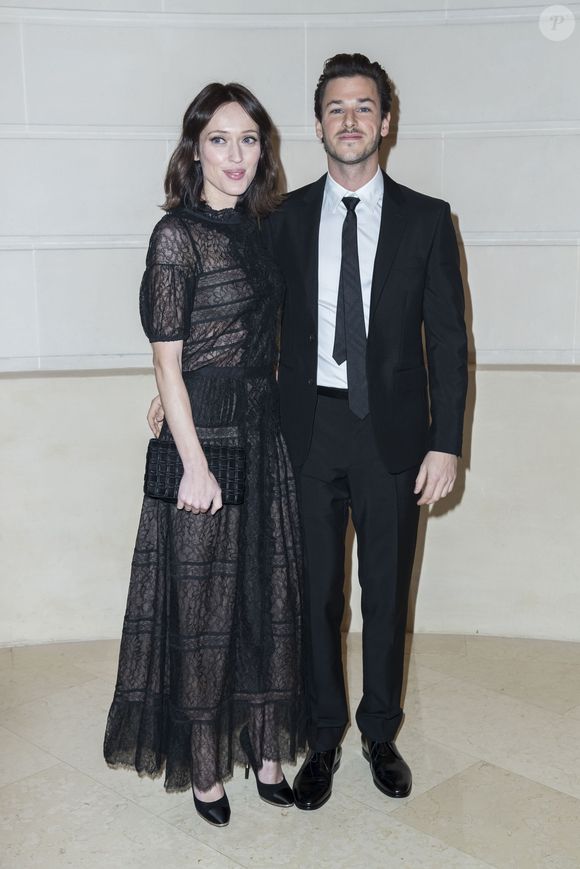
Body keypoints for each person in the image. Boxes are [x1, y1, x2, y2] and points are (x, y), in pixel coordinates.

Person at [148, 52, 468, 811]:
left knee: (387, 595)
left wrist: (446, 440)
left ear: (385, 121)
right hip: (303, 430)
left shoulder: (428, 218)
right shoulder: (281, 219)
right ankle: (322, 734)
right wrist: (168, 388)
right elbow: (224, 312)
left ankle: (379, 732)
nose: (350, 120)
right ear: (317, 123)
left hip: (395, 434)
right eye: (335, 108)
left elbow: (451, 342)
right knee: (313, 596)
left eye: (364, 107)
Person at [104, 82, 305, 828]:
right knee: (204, 608)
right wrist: (191, 460)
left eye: (249, 139)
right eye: (220, 139)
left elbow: (265, 337)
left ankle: (264, 747)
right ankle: (203, 763)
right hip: (203, 441)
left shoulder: (262, 229)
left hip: (263, 429)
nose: (237, 154)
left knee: (265, 597)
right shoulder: (176, 237)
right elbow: (166, 359)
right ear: (195, 149)